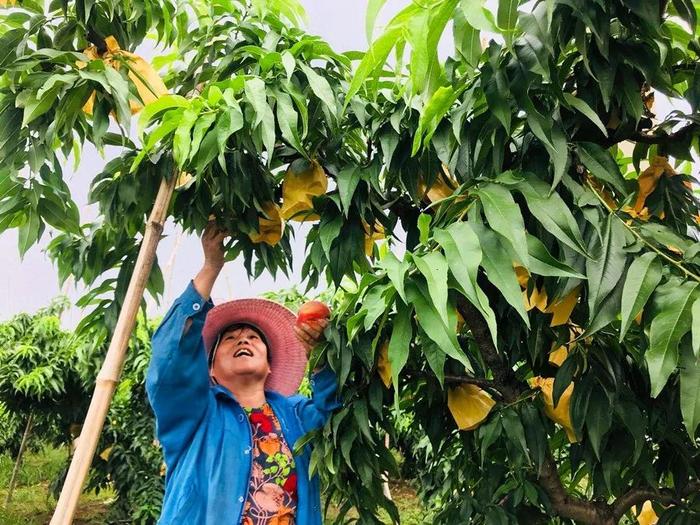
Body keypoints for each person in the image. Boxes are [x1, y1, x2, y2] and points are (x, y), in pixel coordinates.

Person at [146, 222, 340, 524]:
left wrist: (323, 355)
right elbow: (170, 359)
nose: (243, 340)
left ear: (270, 364)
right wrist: (211, 267)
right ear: (209, 369)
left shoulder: (296, 414)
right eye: (230, 338)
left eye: (253, 338)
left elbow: (334, 417)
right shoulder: (196, 414)